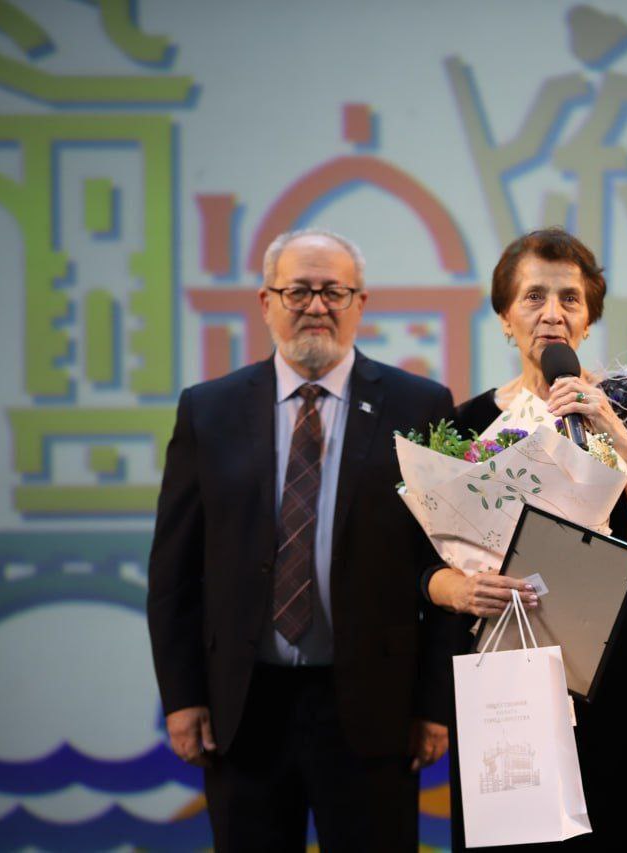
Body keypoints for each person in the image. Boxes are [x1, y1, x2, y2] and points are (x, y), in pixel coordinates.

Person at [146, 229, 455, 850]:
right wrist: (182, 699)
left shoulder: (418, 407)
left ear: (361, 303)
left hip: (373, 705)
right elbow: (174, 572)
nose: (316, 306)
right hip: (244, 704)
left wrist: (434, 704)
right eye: (298, 291)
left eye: (334, 292)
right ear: (266, 302)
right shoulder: (209, 411)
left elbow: (444, 563)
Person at [426, 227, 627, 850]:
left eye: (570, 299)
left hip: (608, 670)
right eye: (534, 297)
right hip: (503, 671)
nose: (552, 313)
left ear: (588, 319)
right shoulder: (468, 424)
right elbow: (426, 567)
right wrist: (463, 589)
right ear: (505, 318)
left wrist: (611, 427)